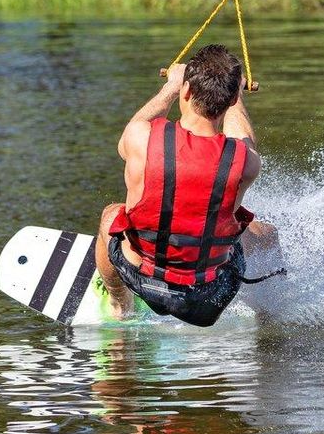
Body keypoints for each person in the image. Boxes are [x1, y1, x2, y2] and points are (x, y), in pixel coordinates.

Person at [94, 44, 281, 325]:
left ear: (186, 91)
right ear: (231, 101)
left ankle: (120, 305)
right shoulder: (247, 163)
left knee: (111, 215)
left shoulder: (139, 138)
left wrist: (170, 87)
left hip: (142, 278)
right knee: (266, 235)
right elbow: (244, 139)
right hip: (209, 298)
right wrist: (237, 94)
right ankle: (269, 319)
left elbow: (133, 129)